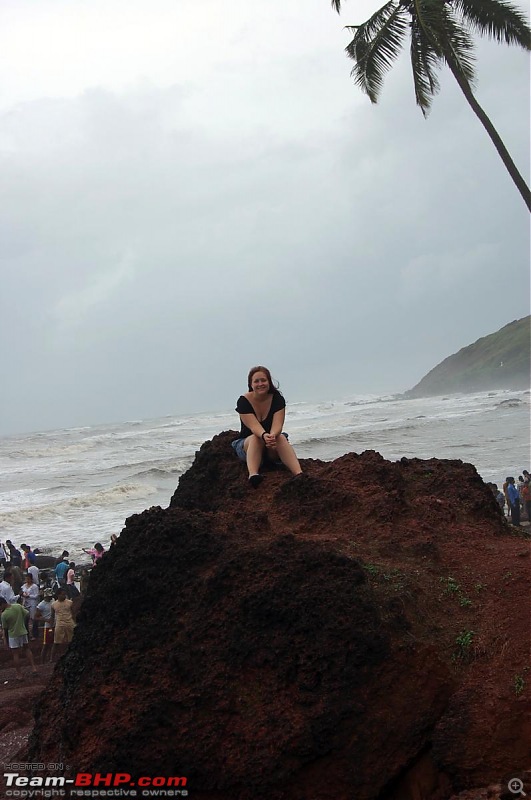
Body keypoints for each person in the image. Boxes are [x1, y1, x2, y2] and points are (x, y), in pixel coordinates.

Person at [232, 365, 303, 487]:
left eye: (263, 380)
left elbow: (278, 425)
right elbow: (254, 426)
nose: (260, 384)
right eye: (256, 381)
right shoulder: (243, 401)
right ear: (251, 384)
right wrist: (264, 435)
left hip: (271, 445)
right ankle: (253, 475)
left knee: (280, 437)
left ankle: (299, 474)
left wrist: (272, 436)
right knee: (256, 437)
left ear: (269, 382)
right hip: (248, 445)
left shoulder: (277, 399)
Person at [0, 597, 38, 679]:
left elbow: (5, 629)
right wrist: (24, 624)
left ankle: (19, 674)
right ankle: (33, 668)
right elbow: (27, 614)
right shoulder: (17, 606)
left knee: (15, 654)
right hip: (23, 631)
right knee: (27, 649)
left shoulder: (4, 615)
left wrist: (5, 640)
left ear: (2, 604)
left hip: (13, 635)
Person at [51, 589, 76, 662]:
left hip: (70, 622)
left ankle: (72, 655)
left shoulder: (70, 602)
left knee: (72, 640)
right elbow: (52, 616)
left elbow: (73, 613)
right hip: (59, 623)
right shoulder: (53, 604)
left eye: (64, 594)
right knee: (56, 642)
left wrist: (75, 622)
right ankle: (51, 658)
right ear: (58, 595)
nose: (63, 596)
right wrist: (52, 626)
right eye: (62, 594)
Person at [35, 588, 55, 664]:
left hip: (54, 624)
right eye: (48, 596)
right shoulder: (41, 605)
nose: (50, 597)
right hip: (47, 626)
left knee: (54, 643)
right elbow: (36, 617)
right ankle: (42, 661)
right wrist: (46, 620)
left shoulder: (53, 600)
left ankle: (51, 659)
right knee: (46, 644)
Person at [20, 573, 40, 639]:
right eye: (26, 579)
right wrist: (22, 595)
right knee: (25, 619)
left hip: (32, 603)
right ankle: (27, 634)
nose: (27, 580)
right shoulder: (23, 586)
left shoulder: (34, 586)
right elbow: (21, 593)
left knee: (33, 618)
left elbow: (36, 595)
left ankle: (34, 634)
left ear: (31, 579)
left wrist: (29, 596)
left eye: (28, 579)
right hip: (25, 603)